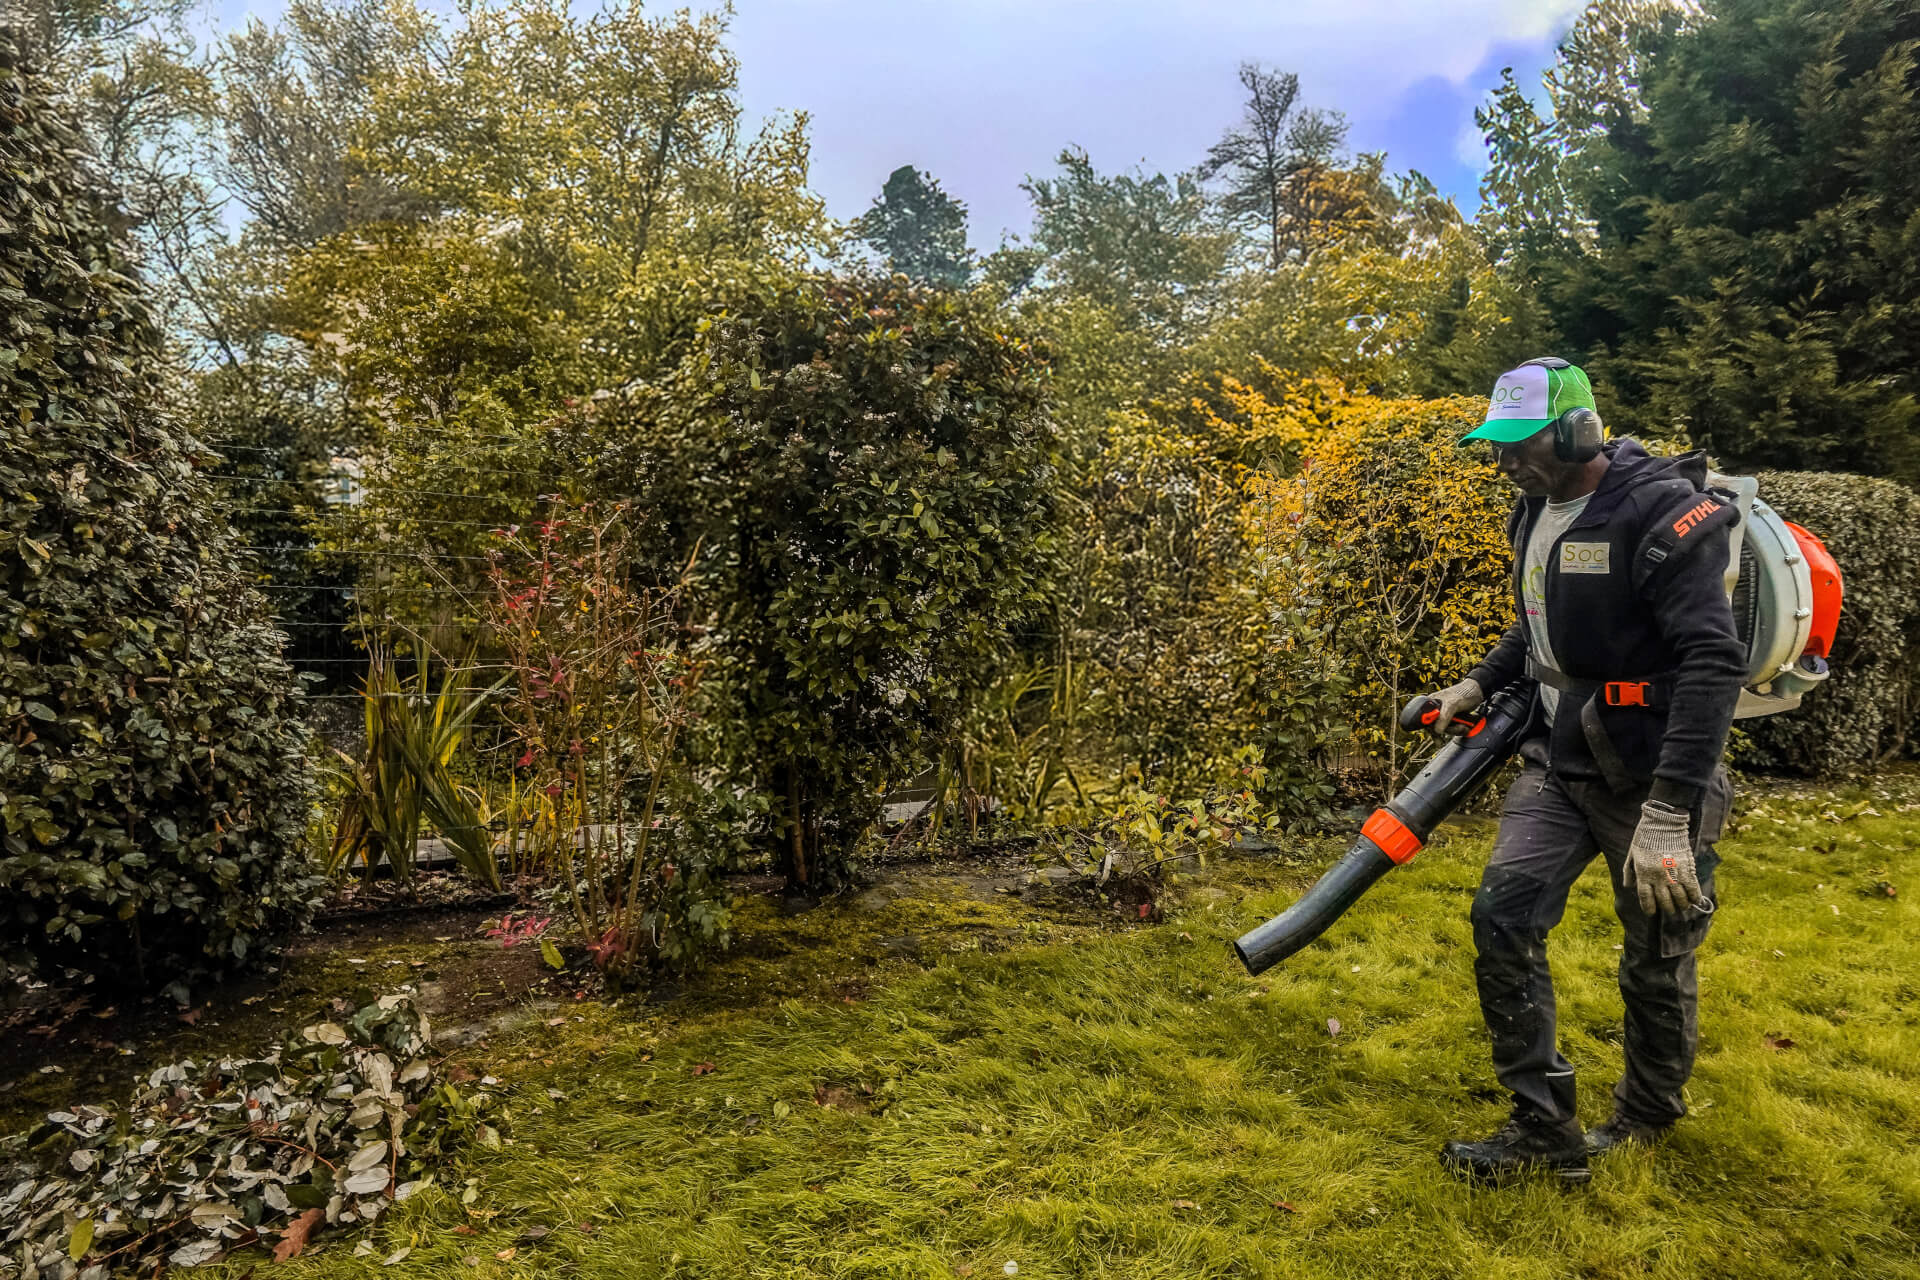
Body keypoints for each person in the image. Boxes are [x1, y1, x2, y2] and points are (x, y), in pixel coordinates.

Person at [1425, 358, 1747, 1185]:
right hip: (1561, 757)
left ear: (1578, 431)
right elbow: (1538, 618)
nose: (1504, 462)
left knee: (1656, 951)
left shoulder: (1663, 514)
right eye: (1494, 446)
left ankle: (1648, 1113)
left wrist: (1671, 814)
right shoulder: (1533, 508)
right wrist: (1480, 681)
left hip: (1653, 769)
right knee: (1502, 914)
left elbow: (1712, 661)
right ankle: (1542, 1123)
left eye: (1519, 443)